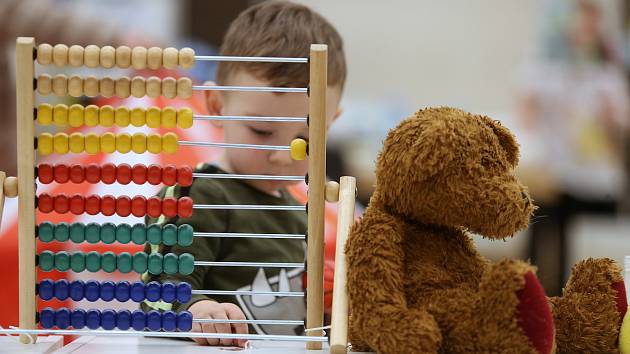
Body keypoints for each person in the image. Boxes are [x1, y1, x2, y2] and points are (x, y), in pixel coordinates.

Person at [141, 1, 346, 347]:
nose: (281, 156)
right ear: (218, 107)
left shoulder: (295, 211)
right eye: (261, 131)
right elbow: (160, 295)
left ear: (331, 124)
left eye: (305, 140)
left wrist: (325, 311)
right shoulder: (199, 197)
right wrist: (199, 309)